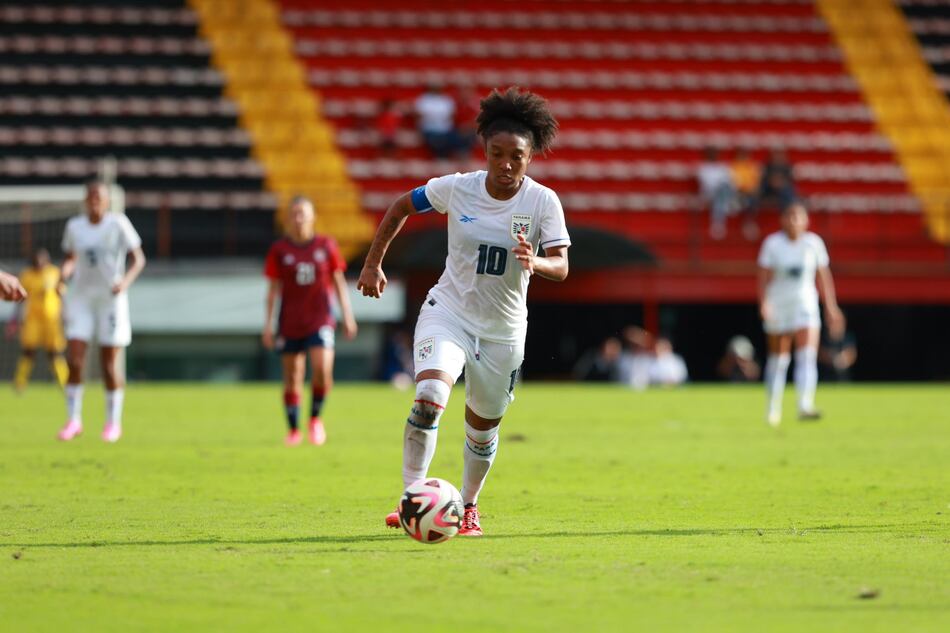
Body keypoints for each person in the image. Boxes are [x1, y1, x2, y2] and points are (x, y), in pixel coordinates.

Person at [357, 87, 570, 536]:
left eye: (517, 156)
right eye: (497, 154)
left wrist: (537, 261)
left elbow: (563, 265)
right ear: (485, 151)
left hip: (504, 331)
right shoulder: (457, 188)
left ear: (530, 158)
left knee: (482, 429)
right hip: (448, 312)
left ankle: (468, 506)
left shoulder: (542, 202)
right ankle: (412, 497)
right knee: (430, 398)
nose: (506, 164)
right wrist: (374, 262)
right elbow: (400, 207)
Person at [263, 196, 358, 446]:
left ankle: (315, 419)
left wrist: (347, 316)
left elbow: (338, 282)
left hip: (320, 320)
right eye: (294, 213)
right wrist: (268, 325)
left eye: (303, 213)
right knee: (293, 375)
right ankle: (293, 429)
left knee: (322, 370)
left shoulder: (326, 245)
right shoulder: (279, 250)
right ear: (287, 219)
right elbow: (273, 290)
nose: (298, 218)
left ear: (313, 216)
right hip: (290, 322)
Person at [58, 180, 146, 442]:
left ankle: (112, 423)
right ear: (86, 200)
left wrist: (125, 282)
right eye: (91, 196)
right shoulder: (75, 226)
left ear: (107, 202)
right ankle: (74, 420)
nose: (95, 200)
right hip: (82, 299)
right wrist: (63, 276)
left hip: (110, 300)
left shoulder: (118, 223)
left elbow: (139, 259)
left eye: (100, 197)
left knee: (108, 364)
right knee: (74, 359)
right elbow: (72, 258)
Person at [757, 202, 843, 427]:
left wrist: (831, 307)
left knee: (806, 356)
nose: (794, 221)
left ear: (806, 220)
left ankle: (805, 404)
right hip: (779, 304)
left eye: (798, 217)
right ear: (782, 220)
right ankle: (773, 408)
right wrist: (764, 302)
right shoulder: (772, 244)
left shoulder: (813, 243)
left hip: (805, 304)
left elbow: (823, 276)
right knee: (779, 360)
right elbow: (763, 276)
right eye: (789, 216)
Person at [5, 248, 69, 392]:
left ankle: (65, 383)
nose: (39, 262)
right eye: (37, 259)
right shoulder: (26, 275)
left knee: (54, 352)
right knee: (28, 351)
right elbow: (20, 300)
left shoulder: (54, 273)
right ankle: (20, 383)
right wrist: (14, 319)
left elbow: (62, 295)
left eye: (42, 259)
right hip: (32, 320)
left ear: (47, 260)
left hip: (51, 320)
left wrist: (66, 315)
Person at [749, 148, 797, 240]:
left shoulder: (787, 167)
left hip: (782, 192)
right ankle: (750, 222)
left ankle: (788, 218)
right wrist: (773, 182)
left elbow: (790, 182)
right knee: (753, 196)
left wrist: (780, 183)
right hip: (767, 191)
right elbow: (763, 181)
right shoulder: (767, 166)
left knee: (788, 194)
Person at [697, 147, 737, 240]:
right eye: (711, 154)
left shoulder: (722, 167)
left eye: (715, 154)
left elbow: (732, 181)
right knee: (722, 190)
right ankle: (729, 205)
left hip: (722, 193)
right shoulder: (703, 168)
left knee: (723, 189)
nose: (713, 156)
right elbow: (707, 185)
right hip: (708, 194)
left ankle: (718, 224)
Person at [414, 84, 460, 159]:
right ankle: (439, 156)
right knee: (435, 141)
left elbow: (452, 115)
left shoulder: (446, 99)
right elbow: (418, 115)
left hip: (445, 129)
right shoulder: (423, 99)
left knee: (455, 139)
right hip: (429, 128)